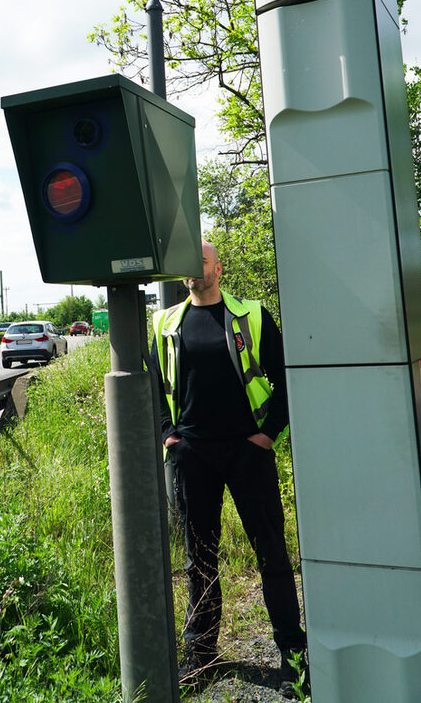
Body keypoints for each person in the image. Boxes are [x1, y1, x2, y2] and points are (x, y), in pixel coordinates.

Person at [151, 240, 306, 697]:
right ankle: (201, 656)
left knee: (272, 555)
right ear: (182, 276)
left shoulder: (252, 315)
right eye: (188, 264)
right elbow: (155, 387)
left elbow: (285, 375)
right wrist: (168, 436)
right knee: (199, 558)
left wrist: (268, 435)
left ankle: (293, 656)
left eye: (202, 260)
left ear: (218, 267)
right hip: (192, 454)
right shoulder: (164, 323)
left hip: (246, 452)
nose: (195, 269)